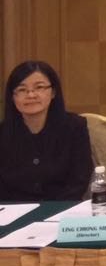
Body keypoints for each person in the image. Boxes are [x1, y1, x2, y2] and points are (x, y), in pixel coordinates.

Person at [0, 61, 93, 201]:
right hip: (14, 210)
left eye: (39, 87)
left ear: (53, 92)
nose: (31, 95)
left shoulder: (74, 127)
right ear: (12, 97)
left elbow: (80, 179)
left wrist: (53, 209)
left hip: (63, 208)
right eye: (22, 89)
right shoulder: (3, 133)